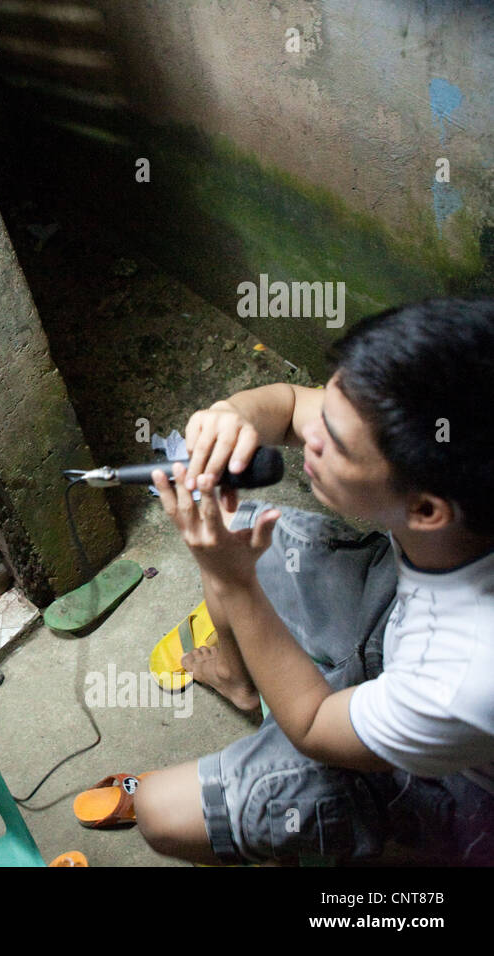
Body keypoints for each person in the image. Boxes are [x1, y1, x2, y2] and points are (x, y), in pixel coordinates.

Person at [131, 299, 494, 865]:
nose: (310, 437)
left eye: (337, 444)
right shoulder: (452, 443)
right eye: (330, 405)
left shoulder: (462, 676)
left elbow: (314, 726)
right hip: (406, 612)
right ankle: (237, 677)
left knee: (157, 810)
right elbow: (292, 402)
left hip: (457, 775)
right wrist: (233, 415)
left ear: (426, 509)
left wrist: (236, 582)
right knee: (229, 523)